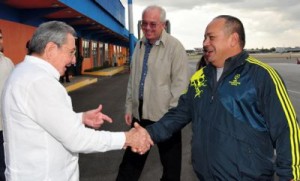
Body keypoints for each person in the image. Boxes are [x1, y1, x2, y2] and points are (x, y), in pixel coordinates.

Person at [144, 15, 300, 180]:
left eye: (211, 37)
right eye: (204, 38)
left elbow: (286, 130)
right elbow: (179, 114)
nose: (205, 43)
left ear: (233, 39)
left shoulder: (261, 75)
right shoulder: (199, 78)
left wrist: (291, 176)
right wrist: (148, 134)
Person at [1, 21, 153, 181]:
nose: (74, 60)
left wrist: (80, 118)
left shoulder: (25, 73)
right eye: (71, 52)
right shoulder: (39, 82)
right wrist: (126, 138)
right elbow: (76, 138)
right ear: (51, 49)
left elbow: (46, 121)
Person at [116, 5, 190, 181]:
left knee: (171, 170)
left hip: (165, 119)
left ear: (163, 24)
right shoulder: (139, 46)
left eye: (153, 24)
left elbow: (180, 88)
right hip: (139, 119)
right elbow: (133, 81)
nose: (147, 28)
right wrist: (129, 107)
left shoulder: (175, 47)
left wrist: (170, 121)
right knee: (129, 167)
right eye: (144, 24)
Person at [0, 28, 14, 181]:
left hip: (5, 126)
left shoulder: (8, 62)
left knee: (5, 166)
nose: (0, 41)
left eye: (1, 37)